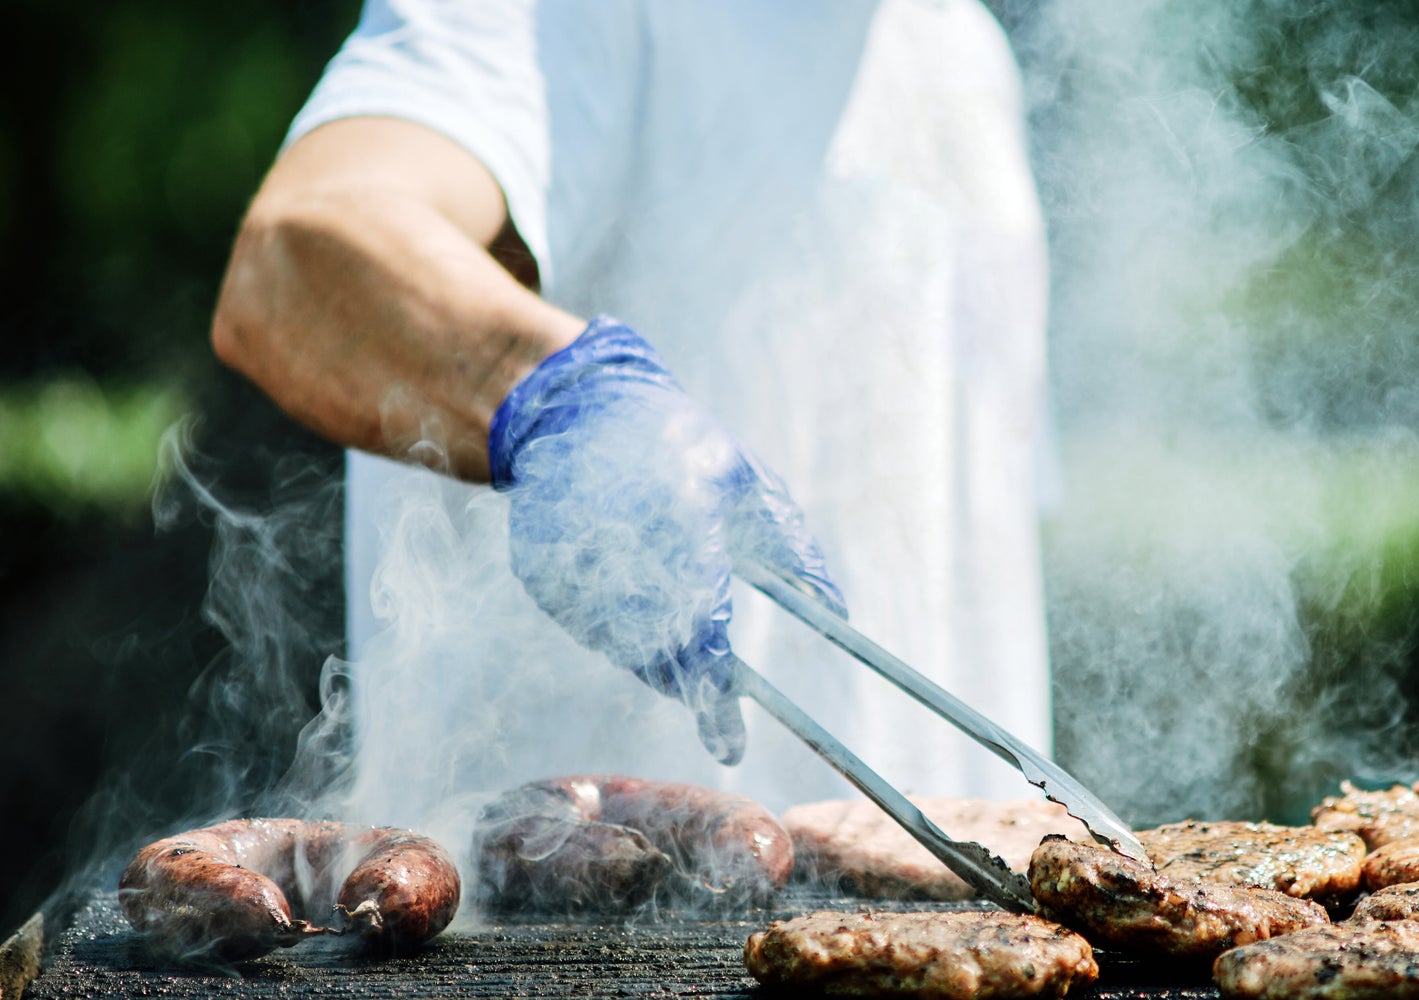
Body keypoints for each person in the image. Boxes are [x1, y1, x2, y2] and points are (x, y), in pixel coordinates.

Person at [211, 0, 1053, 828]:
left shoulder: (962, 49)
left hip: (963, 932)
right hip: (548, 929)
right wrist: (557, 398)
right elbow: (296, 255)